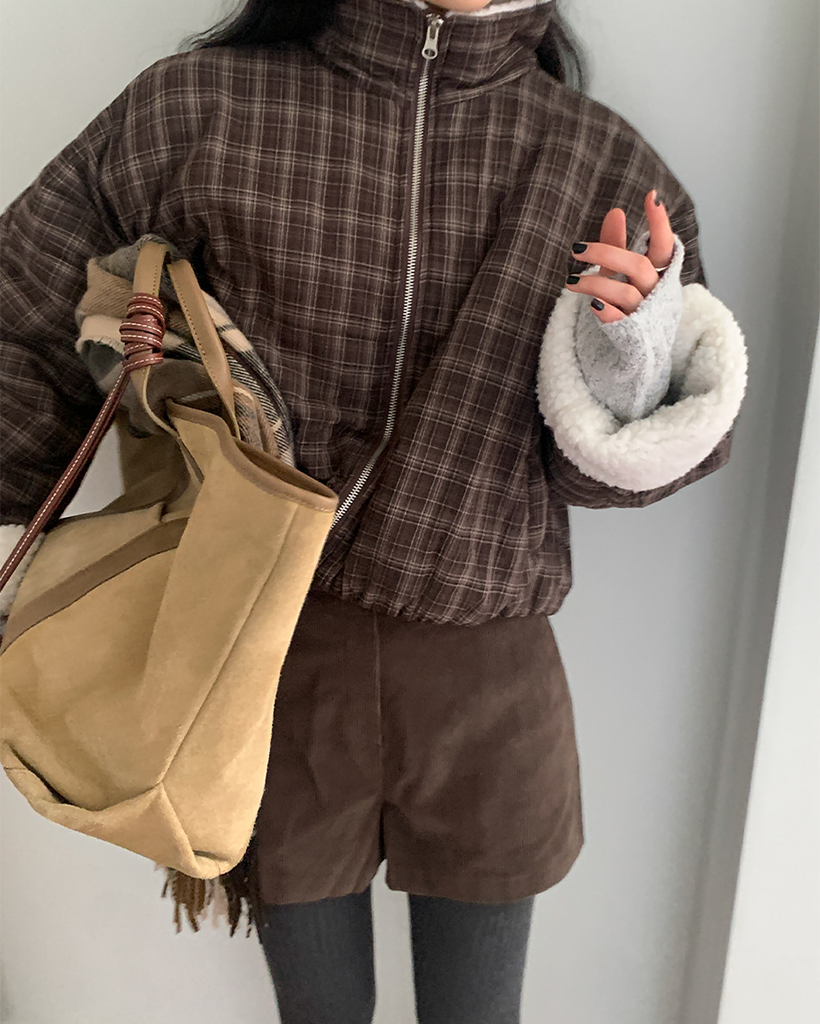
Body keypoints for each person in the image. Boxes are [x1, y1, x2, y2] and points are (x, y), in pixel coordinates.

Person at [0, 0, 747, 1021]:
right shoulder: (200, 108)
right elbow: (23, 318)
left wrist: (629, 362)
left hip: (486, 678)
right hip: (262, 662)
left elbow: (622, 469)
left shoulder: (597, 161)